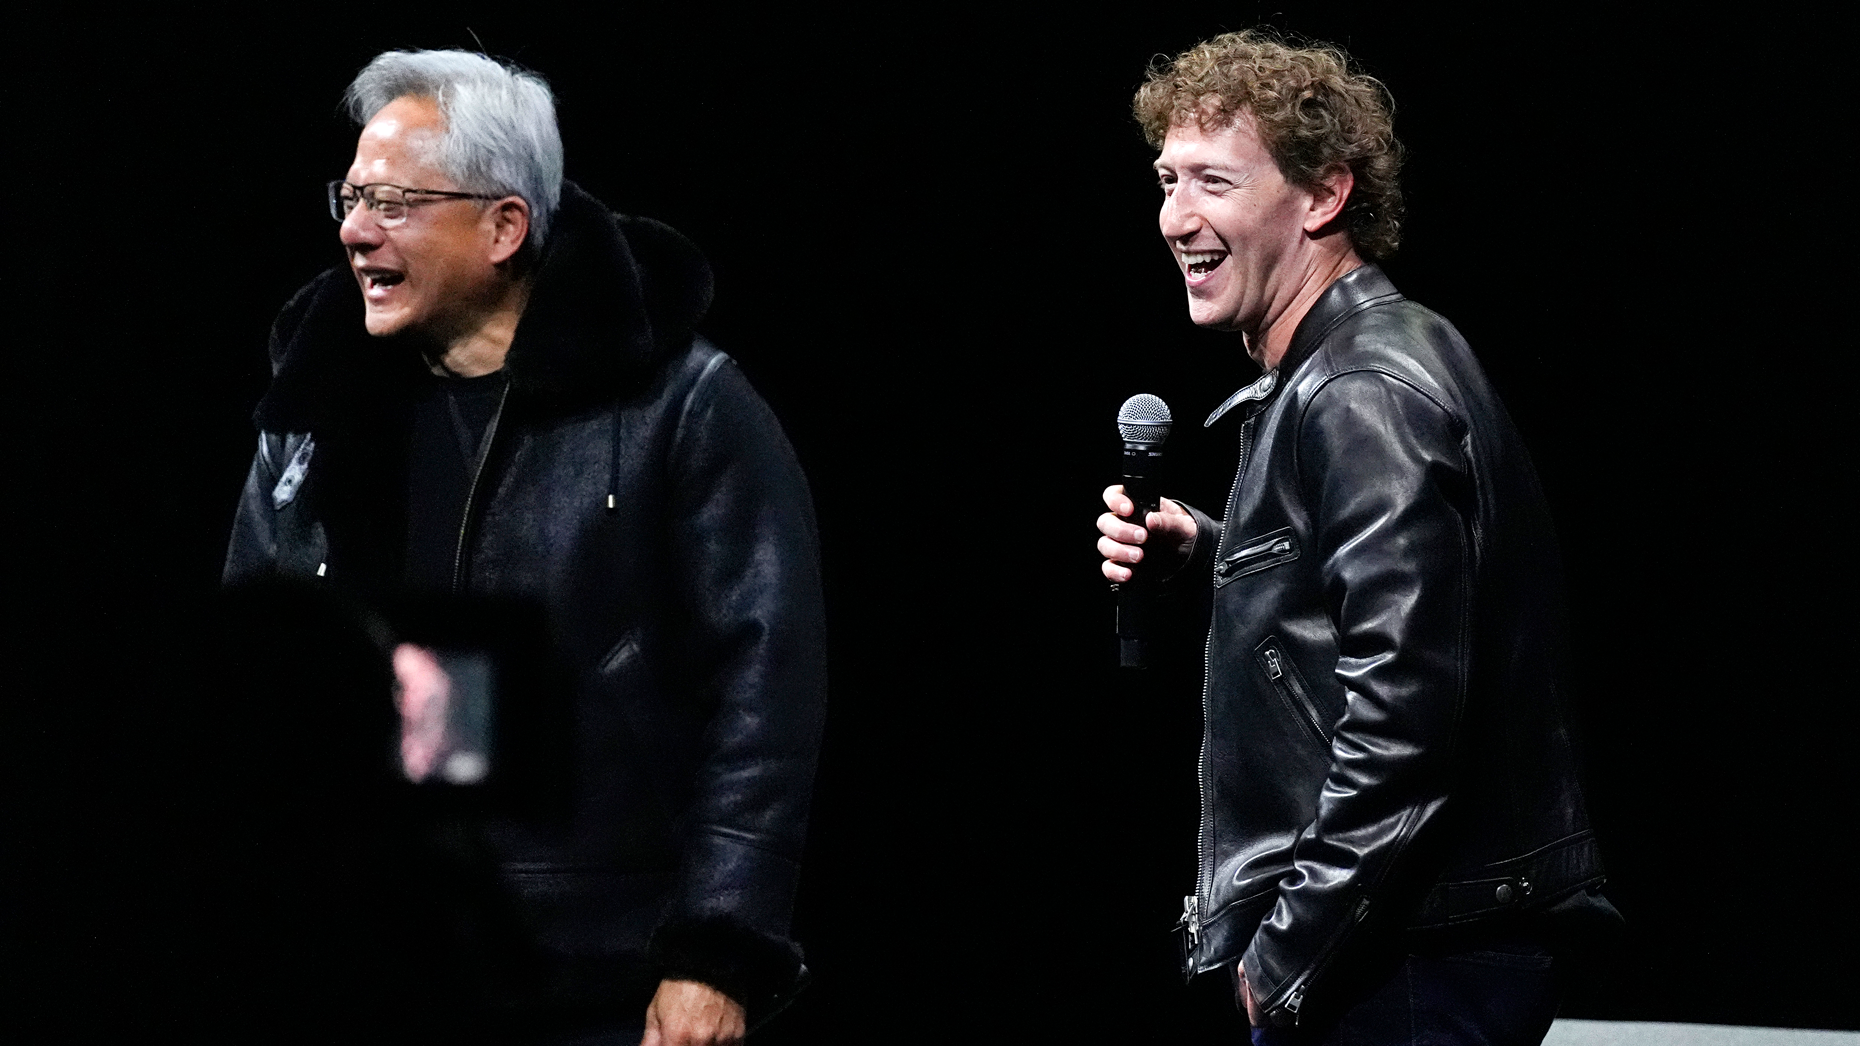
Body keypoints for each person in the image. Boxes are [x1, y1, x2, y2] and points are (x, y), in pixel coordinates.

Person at [223, 49, 825, 1046]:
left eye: (394, 201)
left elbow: (767, 690)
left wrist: (716, 947)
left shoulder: (679, 402)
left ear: (505, 225)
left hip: (605, 966)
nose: (353, 229)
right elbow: (249, 686)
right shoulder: (316, 406)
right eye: (351, 195)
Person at [1096, 31, 1618, 1043]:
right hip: (1404, 951)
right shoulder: (1342, 372)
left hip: (1408, 961)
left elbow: (1406, 720)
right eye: (1168, 179)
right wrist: (1206, 550)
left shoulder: (1364, 391)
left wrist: (1281, 959)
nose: (1177, 217)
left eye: (1214, 179)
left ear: (1325, 195)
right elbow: (1357, 621)